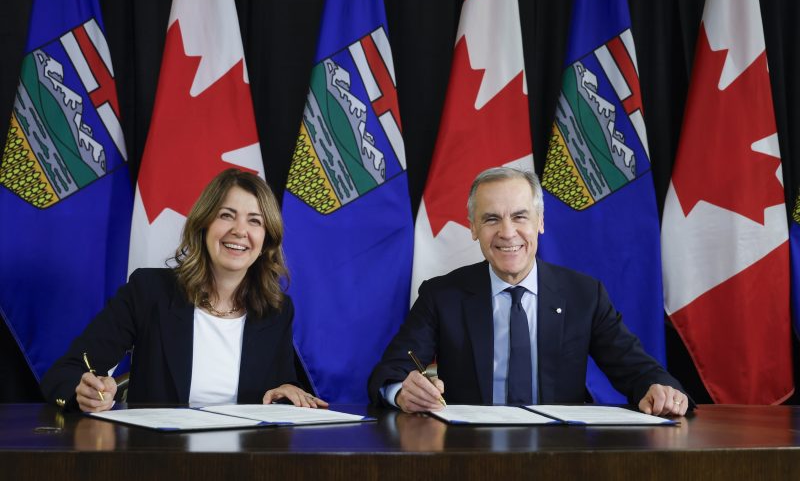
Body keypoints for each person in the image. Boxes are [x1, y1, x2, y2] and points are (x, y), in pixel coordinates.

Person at [368, 167, 690, 416]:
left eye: (520, 216)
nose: (507, 232)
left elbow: (638, 370)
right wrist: (400, 391)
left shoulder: (583, 295)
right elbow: (390, 371)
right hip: (467, 455)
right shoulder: (442, 296)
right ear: (473, 228)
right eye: (491, 219)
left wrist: (659, 390)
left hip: (560, 457)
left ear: (540, 222)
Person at [41, 168, 327, 412]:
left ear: (266, 241)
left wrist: (288, 390)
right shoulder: (149, 291)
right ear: (203, 226)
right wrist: (86, 393)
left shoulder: (276, 311)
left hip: (244, 463)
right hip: (160, 460)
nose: (240, 230)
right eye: (227, 215)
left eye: (255, 220)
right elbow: (64, 374)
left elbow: (278, 391)